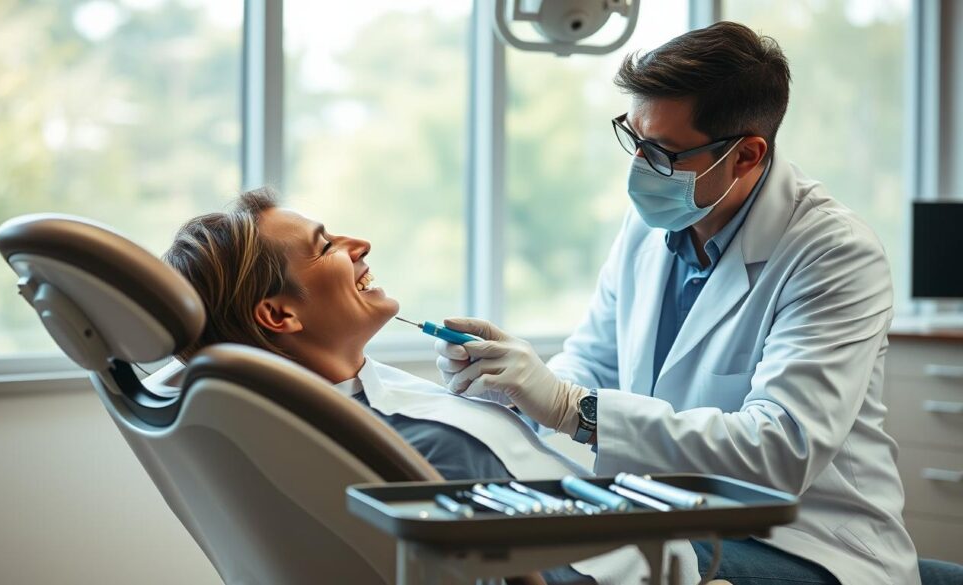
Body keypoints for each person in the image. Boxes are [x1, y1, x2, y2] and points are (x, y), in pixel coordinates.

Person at [434, 21, 919, 585]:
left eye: (662, 152)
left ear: (746, 155)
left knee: (564, 575)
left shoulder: (834, 254)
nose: (640, 166)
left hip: (804, 544)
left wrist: (573, 408)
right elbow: (594, 362)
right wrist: (520, 387)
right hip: (670, 514)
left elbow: (780, 452)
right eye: (634, 138)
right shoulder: (651, 227)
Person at [161, 188, 701, 585]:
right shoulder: (424, 446)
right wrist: (562, 408)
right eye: (325, 246)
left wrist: (524, 399)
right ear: (279, 314)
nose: (360, 244)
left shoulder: (297, 407)